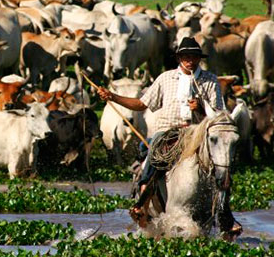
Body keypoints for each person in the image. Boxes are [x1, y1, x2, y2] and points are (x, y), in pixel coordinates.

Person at [97, 37, 242, 238]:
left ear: (199, 59)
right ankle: (142, 202)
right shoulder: (165, 78)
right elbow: (142, 104)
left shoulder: (210, 80)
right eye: (186, 56)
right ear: (179, 58)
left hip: (197, 131)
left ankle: (226, 216)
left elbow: (219, 114)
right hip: (169, 130)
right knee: (155, 151)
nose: (190, 60)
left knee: (221, 166)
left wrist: (200, 109)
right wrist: (113, 97)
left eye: (194, 56)